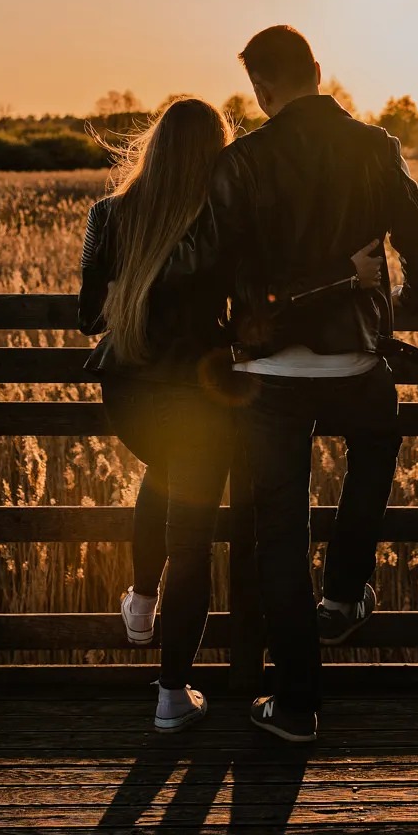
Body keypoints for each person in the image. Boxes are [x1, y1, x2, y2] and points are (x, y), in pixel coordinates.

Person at [166, 25, 418, 743]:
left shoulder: (242, 162)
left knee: (281, 537)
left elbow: (197, 264)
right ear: (318, 71)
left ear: (261, 89)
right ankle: (348, 590)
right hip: (358, 363)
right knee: (377, 444)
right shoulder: (375, 147)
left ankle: (296, 706)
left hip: (267, 376)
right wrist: (395, 310)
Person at [77, 96, 239, 732]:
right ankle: (172, 697)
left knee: (165, 473)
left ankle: (142, 600)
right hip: (201, 391)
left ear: (154, 147)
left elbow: (87, 316)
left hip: (129, 391)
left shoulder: (108, 214)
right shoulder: (225, 218)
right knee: (193, 541)